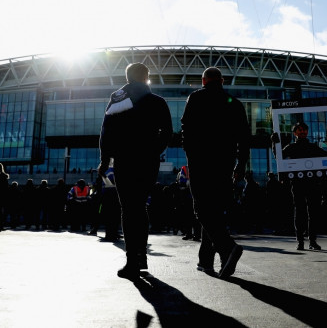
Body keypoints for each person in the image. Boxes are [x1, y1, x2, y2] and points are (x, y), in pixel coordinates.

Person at [98, 62, 173, 279]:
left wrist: (105, 160)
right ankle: (140, 256)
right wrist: (154, 150)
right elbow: (167, 132)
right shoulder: (157, 101)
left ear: (128, 77)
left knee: (129, 209)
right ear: (146, 77)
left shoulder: (118, 98)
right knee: (139, 207)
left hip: (124, 160)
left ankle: (133, 260)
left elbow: (106, 131)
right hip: (148, 161)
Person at [181, 67, 250, 279]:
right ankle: (207, 260)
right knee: (215, 211)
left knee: (202, 210)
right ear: (222, 80)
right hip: (225, 164)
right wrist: (241, 165)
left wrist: (191, 155)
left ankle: (227, 247)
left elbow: (186, 129)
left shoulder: (196, 98)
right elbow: (244, 138)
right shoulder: (234, 103)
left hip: (201, 163)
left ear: (203, 81)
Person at [280, 122, 327, 251]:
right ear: (295, 133)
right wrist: (274, 144)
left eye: (304, 130)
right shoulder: (290, 147)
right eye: (299, 130)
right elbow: (279, 158)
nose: (302, 132)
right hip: (297, 183)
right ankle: (300, 241)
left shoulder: (313, 147)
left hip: (313, 183)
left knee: (313, 213)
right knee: (300, 212)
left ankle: (312, 241)